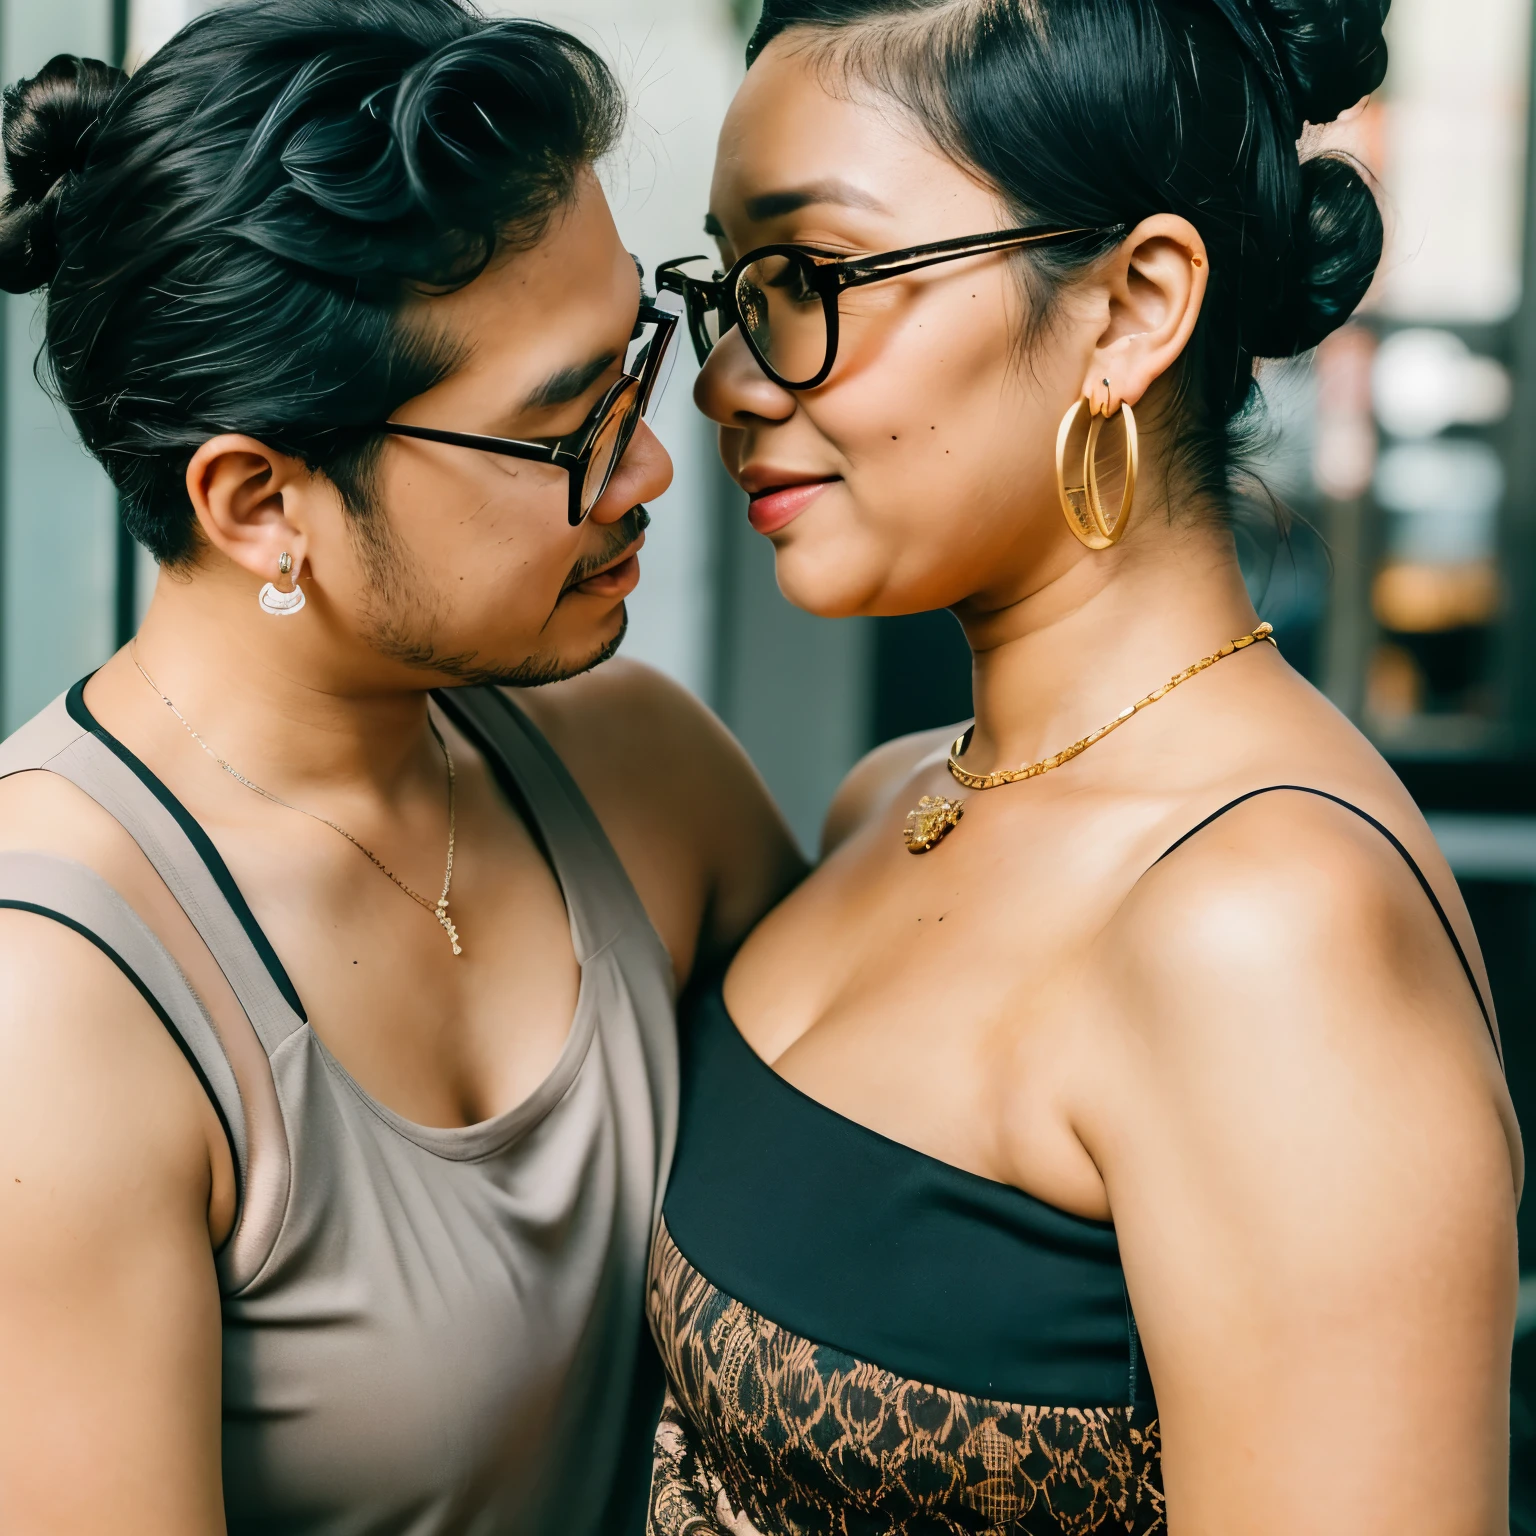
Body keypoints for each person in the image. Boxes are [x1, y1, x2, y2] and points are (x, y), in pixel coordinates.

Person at [648, 0, 1523, 1531]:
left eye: (813, 281)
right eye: (735, 288)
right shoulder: (897, 796)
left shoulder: (1265, 933)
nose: (728, 380)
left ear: (1131, 307)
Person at [0, 5, 803, 1533]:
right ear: (258, 502)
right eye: (566, 424)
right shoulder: (52, 1001)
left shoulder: (646, 773)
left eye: (632, 356)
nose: (648, 464)